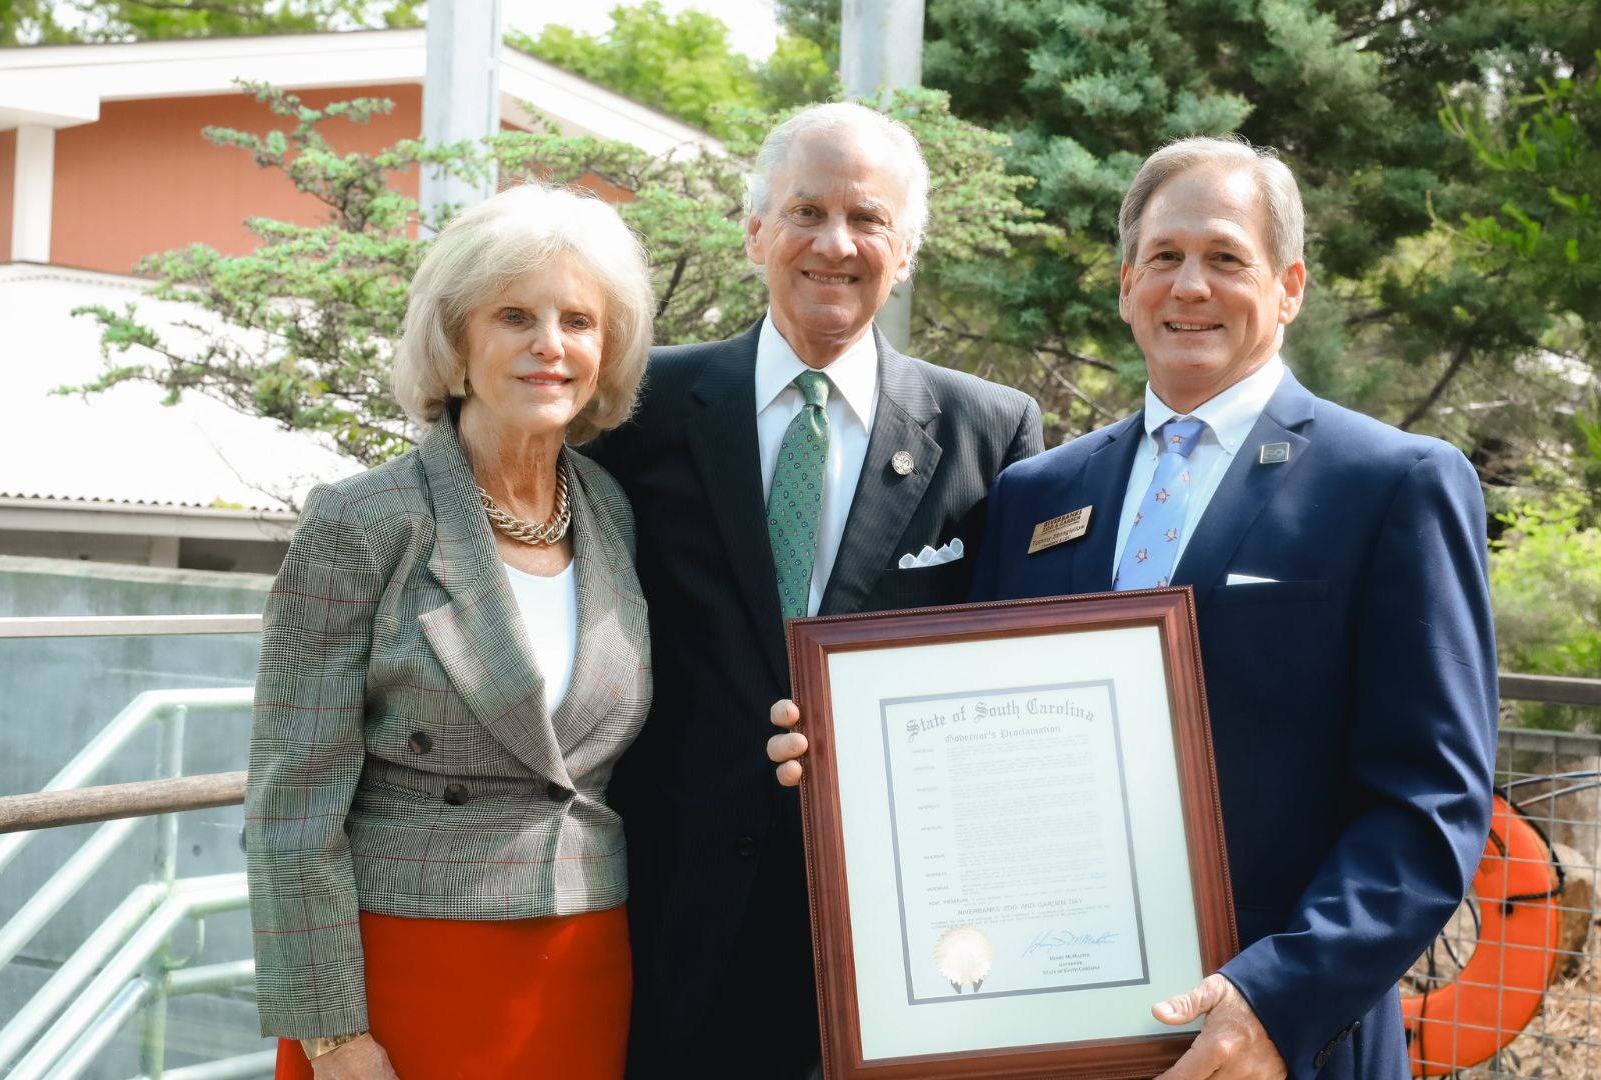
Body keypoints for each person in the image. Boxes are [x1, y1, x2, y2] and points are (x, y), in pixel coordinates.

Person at [770, 137, 1498, 1079]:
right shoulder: (1036, 494)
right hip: (1050, 1030)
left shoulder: (1392, 484)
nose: (1189, 286)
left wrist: (1279, 997)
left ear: (1290, 286)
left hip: (1278, 1041)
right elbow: (974, 747)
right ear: (1126, 286)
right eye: (1164, 258)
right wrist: (842, 758)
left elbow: (1430, 805)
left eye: (1226, 258)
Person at [584, 102, 1043, 1077]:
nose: (835, 243)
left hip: (898, 941)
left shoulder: (990, 434)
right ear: (756, 232)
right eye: (806, 212)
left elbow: (1010, 687)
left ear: (907, 248)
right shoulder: (637, 412)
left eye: (868, 219)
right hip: (673, 928)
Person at [245, 183, 656, 1080]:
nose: (551, 346)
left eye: (579, 321)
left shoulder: (613, 513)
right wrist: (333, 1037)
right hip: (404, 968)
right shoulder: (359, 524)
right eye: (516, 315)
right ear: (457, 340)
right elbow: (290, 802)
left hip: (585, 960)